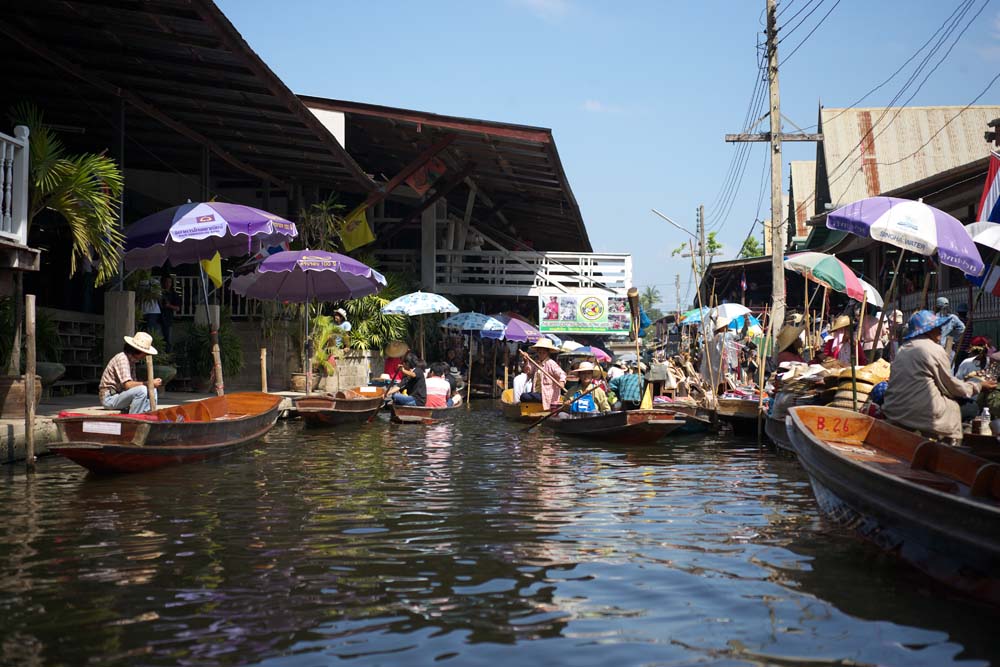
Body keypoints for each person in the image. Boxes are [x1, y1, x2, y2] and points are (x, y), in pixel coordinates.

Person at [882, 310, 995, 443]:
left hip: (894, 408)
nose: (941, 329)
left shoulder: (903, 349)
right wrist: (978, 385)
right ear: (927, 330)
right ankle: (949, 445)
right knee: (971, 408)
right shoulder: (935, 349)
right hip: (921, 412)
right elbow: (951, 387)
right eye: (936, 327)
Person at [98, 331, 161, 414]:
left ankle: (147, 414)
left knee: (152, 389)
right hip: (110, 398)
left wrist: (150, 385)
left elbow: (133, 386)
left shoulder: (132, 362)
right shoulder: (122, 359)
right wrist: (148, 383)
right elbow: (128, 385)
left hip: (120, 395)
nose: (145, 355)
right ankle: (135, 418)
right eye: (145, 353)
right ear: (138, 351)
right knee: (142, 390)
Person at [519, 338, 565, 409]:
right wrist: (526, 360)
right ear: (537, 352)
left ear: (547, 353)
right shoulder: (536, 363)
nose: (541, 355)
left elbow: (562, 374)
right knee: (523, 396)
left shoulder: (551, 363)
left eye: (544, 353)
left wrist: (562, 382)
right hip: (536, 393)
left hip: (546, 395)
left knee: (524, 396)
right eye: (540, 352)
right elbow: (528, 372)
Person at [159, 275, 181, 352]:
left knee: (168, 339)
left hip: (168, 318)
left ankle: (168, 355)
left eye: (169, 282)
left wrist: (169, 306)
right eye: (166, 282)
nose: (167, 284)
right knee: (159, 338)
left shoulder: (174, 294)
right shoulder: (160, 293)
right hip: (159, 317)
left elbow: (177, 308)